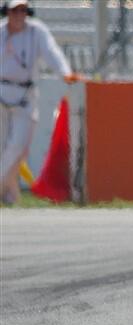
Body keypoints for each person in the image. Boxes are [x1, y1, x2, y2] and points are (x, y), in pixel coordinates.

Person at [1, 0, 77, 204]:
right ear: (6, 12)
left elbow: (52, 53)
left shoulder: (36, 32)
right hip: (1, 93)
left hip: (25, 95)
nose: (19, 15)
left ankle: (3, 186)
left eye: (23, 10)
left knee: (18, 145)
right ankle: (10, 195)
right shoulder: (1, 33)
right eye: (14, 11)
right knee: (3, 147)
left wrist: (66, 74)